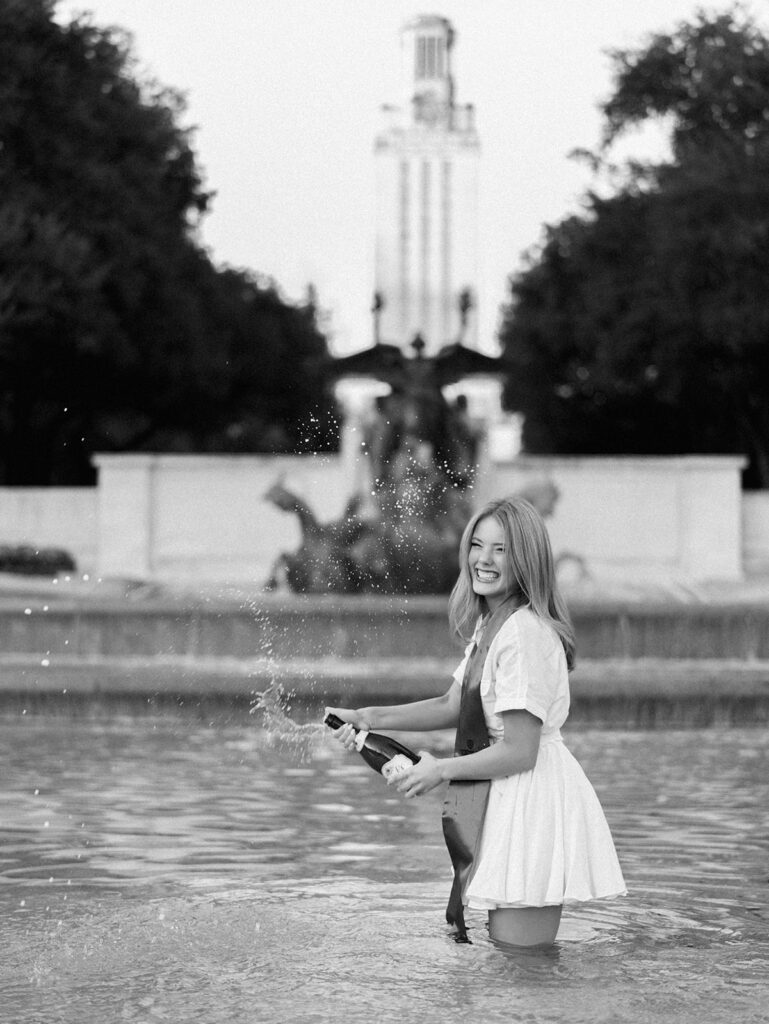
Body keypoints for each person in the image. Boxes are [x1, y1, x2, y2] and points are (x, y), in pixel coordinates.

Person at [326, 497, 626, 948]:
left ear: (526, 558)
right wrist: (367, 718)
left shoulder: (524, 634)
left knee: (523, 965)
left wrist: (439, 769)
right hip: (503, 790)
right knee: (507, 966)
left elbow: (520, 750)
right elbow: (454, 703)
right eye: (477, 545)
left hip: (530, 798)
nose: (483, 560)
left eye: (500, 549)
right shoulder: (496, 624)